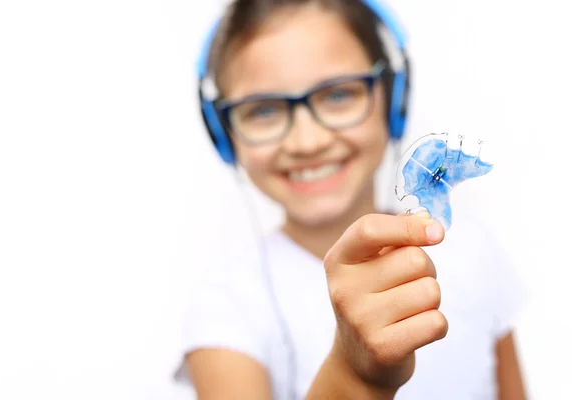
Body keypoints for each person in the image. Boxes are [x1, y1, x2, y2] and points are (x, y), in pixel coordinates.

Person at [176, 0, 527, 399]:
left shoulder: (473, 248)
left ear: (393, 100)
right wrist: (356, 376)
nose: (308, 142)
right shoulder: (226, 310)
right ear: (225, 137)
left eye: (339, 95)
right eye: (263, 111)